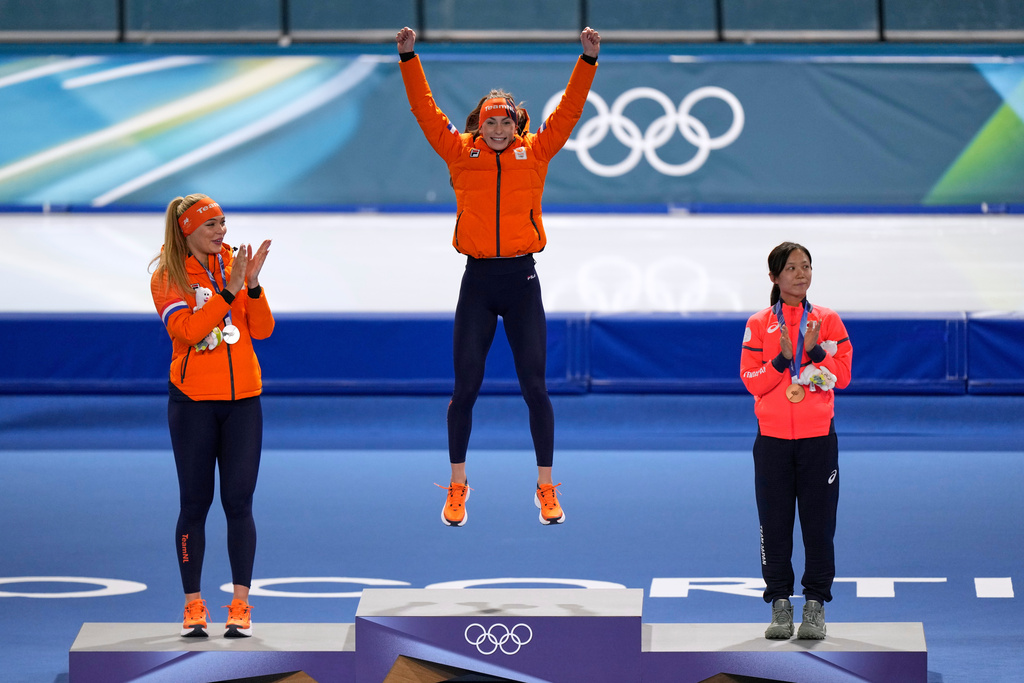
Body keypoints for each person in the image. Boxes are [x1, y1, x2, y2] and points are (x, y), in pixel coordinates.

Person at [396, 25, 600, 527]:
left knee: (536, 388)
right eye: (490, 123)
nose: (498, 130)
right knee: (465, 390)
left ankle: (546, 487)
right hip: (478, 284)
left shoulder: (538, 151)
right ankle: (458, 486)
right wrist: (408, 58)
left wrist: (587, 61)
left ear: (515, 123)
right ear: (479, 125)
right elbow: (425, 109)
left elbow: (569, 110)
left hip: (522, 282)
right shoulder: (458, 153)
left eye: (505, 123)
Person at [149, 194, 273, 638]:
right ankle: (193, 605)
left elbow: (262, 329)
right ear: (188, 231)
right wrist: (226, 292)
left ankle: (240, 606)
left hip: (244, 402)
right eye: (210, 226)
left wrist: (252, 286)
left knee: (239, 505)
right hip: (193, 404)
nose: (221, 231)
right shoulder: (168, 276)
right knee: (194, 506)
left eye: (222, 222)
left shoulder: (234, 264)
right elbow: (188, 330)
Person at [740, 242, 852, 640]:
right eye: (791, 268)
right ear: (774, 277)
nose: (801, 274)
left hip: (818, 440)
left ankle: (816, 605)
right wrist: (782, 362)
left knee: (819, 526)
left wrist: (816, 351)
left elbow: (843, 375)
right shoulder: (758, 324)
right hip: (772, 441)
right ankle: (781, 605)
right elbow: (750, 380)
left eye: (806, 267)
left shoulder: (828, 321)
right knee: (774, 525)